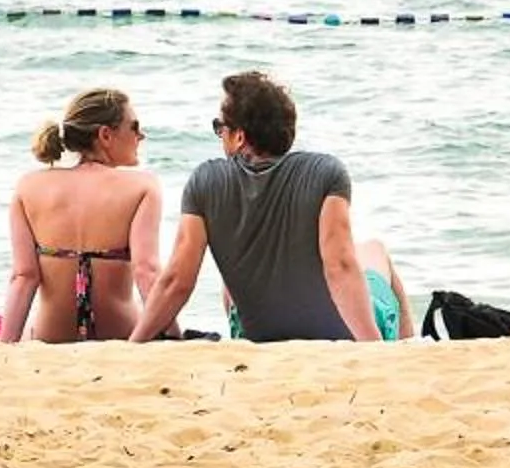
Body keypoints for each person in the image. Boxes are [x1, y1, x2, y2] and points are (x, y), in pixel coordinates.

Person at [131, 70, 408, 343]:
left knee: (232, 282)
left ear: (239, 137)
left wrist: (135, 343)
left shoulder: (205, 182)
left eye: (221, 127)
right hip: (343, 333)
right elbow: (340, 265)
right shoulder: (326, 172)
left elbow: (177, 280)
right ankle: (413, 343)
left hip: (260, 339)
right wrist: (373, 349)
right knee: (374, 250)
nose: (220, 135)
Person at [1, 87, 164, 343]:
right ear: (106, 135)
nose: (141, 135)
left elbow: (24, 277)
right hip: (121, 336)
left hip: (49, 339)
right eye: (134, 127)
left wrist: (4, 348)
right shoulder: (142, 187)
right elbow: (147, 272)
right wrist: (173, 335)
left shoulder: (28, 187)